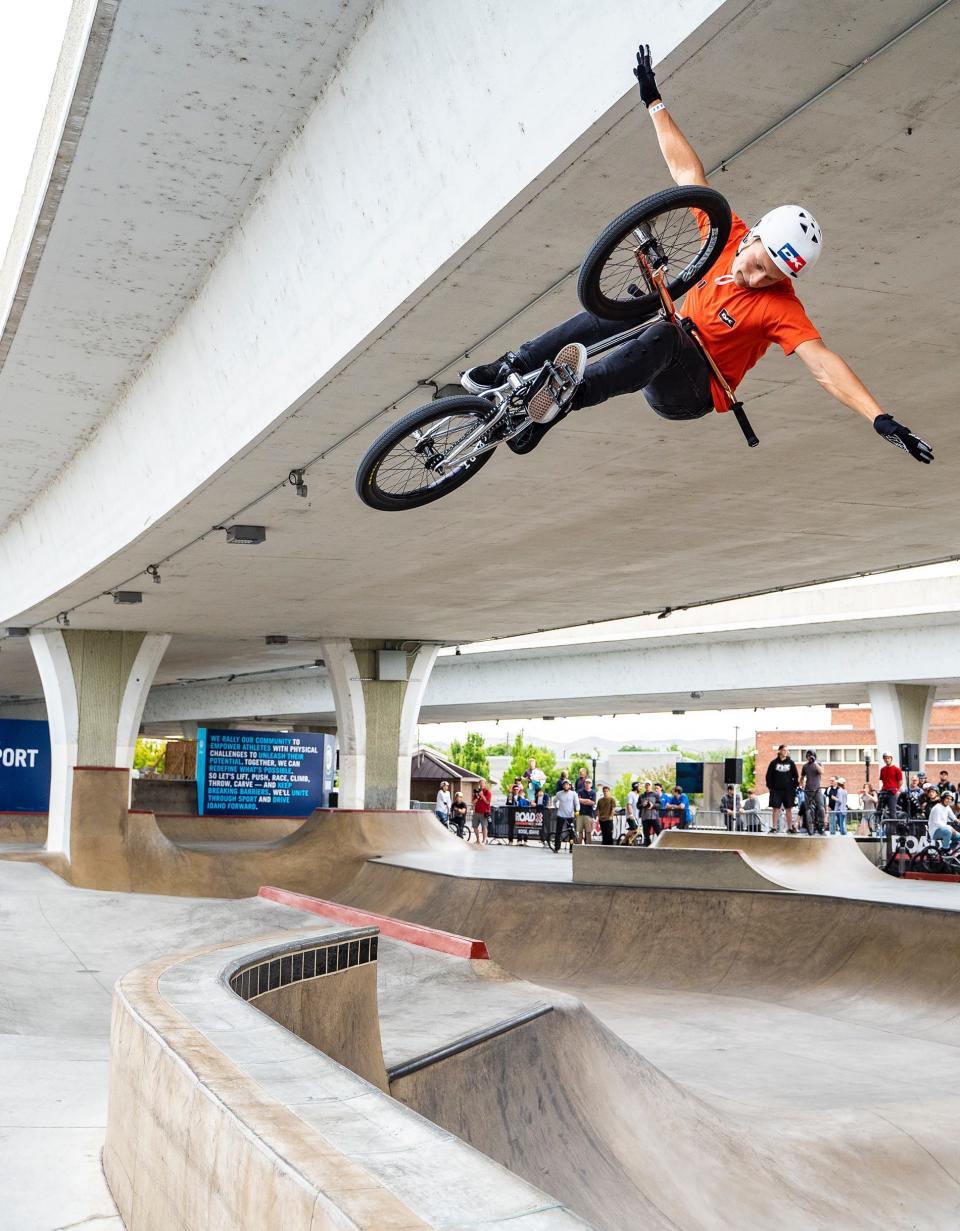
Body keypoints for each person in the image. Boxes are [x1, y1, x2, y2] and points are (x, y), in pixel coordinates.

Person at [460, 44, 933, 467]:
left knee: (665, 332)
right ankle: (511, 367)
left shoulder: (780, 308)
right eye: (758, 263)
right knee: (639, 306)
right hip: (665, 343)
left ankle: (557, 404)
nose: (756, 277)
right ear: (754, 239)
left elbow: (823, 364)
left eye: (771, 277)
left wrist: (880, 418)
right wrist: (653, 101)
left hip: (691, 389)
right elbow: (687, 172)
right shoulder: (728, 234)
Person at [765, 746, 799, 833]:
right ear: (779, 751)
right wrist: (770, 787)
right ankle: (774, 828)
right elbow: (768, 776)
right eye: (784, 750)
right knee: (775, 809)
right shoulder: (773, 763)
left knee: (789, 809)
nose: (785, 752)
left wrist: (794, 787)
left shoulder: (791, 763)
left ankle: (790, 828)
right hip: (776, 790)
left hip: (788, 791)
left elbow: (796, 776)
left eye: (787, 750)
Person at [799, 752, 825, 835]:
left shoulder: (819, 764)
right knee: (808, 808)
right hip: (808, 790)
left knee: (821, 807)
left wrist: (814, 763)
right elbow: (802, 778)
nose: (809, 757)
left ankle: (821, 825)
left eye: (811, 756)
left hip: (817, 790)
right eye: (808, 756)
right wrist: (801, 785)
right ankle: (810, 825)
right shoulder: (805, 766)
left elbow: (821, 772)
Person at [552, 779, 579, 852]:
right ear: (563, 786)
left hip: (570, 816)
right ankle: (557, 847)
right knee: (558, 832)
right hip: (560, 815)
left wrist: (577, 810)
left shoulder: (574, 794)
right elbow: (554, 801)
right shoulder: (559, 794)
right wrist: (556, 807)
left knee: (571, 833)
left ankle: (571, 848)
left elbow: (577, 803)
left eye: (567, 784)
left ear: (569, 786)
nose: (566, 786)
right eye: (564, 785)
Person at [878, 753, 903, 826]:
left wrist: (896, 790)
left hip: (892, 792)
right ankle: (879, 826)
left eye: (888, 758)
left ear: (891, 759)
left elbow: (900, 782)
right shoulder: (882, 769)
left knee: (892, 811)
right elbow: (883, 780)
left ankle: (894, 829)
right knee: (879, 810)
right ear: (883, 759)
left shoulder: (897, 769)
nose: (887, 759)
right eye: (885, 758)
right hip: (884, 791)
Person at [639, 781, 662, 846]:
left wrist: (653, 805)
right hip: (645, 817)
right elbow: (638, 806)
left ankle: (662, 844)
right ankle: (647, 845)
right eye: (646, 785)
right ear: (644, 786)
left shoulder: (656, 795)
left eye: (648, 785)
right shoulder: (641, 796)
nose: (647, 786)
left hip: (654, 817)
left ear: (651, 786)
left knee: (659, 832)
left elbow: (660, 805)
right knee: (646, 833)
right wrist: (642, 804)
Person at [576, 778, 597, 845]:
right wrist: (587, 800)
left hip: (589, 814)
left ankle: (589, 846)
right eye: (586, 782)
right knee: (580, 831)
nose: (587, 784)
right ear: (584, 783)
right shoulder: (580, 791)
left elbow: (592, 803)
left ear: (591, 784)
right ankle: (579, 845)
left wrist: (583, 801)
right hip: (580, 814)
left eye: (589, 783)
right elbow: (578, 800)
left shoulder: (593, 792)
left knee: (588, 832)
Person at [472, 778, 492, 844]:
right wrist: (478, 797)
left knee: (484, 826)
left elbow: (487, 802)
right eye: (480, 783)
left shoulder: (487, 792)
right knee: (474, 826)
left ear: (485, 784)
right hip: (476, 812)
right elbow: (473, 802)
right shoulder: (477, 792)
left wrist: (482, 795)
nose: (481, 785)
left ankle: (484, 840)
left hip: (484, 812)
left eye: (483, 783)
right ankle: (478, 840)